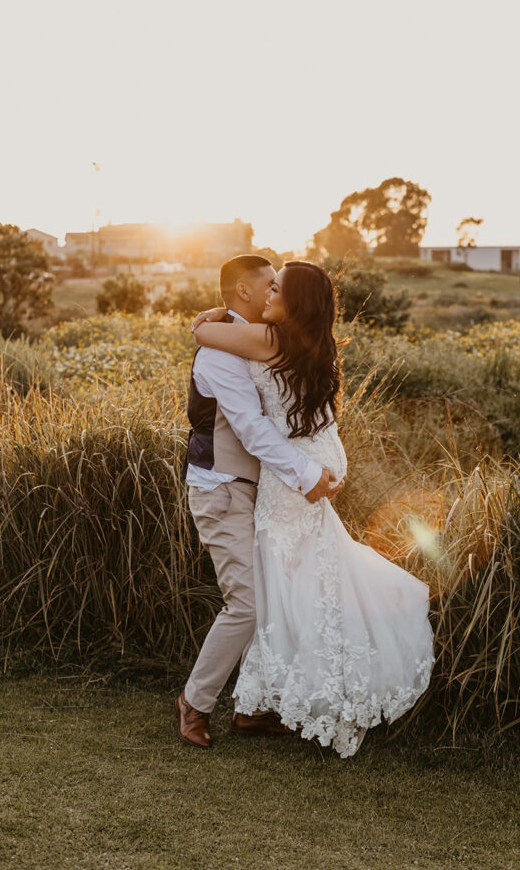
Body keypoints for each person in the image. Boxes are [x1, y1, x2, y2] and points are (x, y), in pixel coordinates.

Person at [190, 260, 434, 758]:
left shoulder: (271, 340)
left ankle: (269, 697)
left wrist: (201, 322)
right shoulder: (308, 339)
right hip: (307, 464)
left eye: (278, 288)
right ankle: (261, 700)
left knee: (287, 581)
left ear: (293, 300)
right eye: (267, 285)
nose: (270, 293)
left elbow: (204, 338)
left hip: (297, 473)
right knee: (291, 579)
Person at [175, 255, 344, 749]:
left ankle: (250, 709)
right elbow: (251, 429)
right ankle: (194, 702)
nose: (276, 292)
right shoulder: (220, 355)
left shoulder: (257, 339)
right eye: (269, 285)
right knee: (247, 604)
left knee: (270, 592)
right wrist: (305, 473)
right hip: (221, 486)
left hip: (258, 489)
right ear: (245, 292)